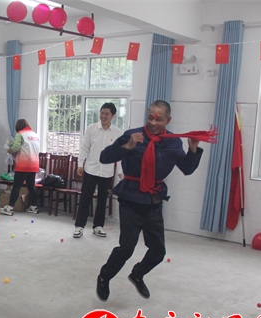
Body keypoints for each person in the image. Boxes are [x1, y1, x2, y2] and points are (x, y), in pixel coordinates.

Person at [96, 100, 206, 302]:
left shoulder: (173, 142)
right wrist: (128, 146)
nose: (153, 123)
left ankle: (137, 274)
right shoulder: (133, 135)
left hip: (153, 201)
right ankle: (104, 276)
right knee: (127, 248)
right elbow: (104, 157)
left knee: (158, 251)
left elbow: (187, 169)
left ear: (168, 120)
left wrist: (192, 150)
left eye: (159, 119)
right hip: (131, 199)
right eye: (150, 118)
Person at [73, 103, 122, 239]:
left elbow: (119, 153)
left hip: (107, 172)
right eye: (102, 113)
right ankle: (79, 226)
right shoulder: (91, 128)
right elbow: (84, 147)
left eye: (107, 114)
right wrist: (80, 164)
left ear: (112, 116)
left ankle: (98, 226)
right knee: (85, 198)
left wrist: (120, 171)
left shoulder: (117, 132)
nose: (103, 116)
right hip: (91, 169)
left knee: (102, 200)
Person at [0, 119, 40, 216]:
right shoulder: (35, 135)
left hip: (23, 164)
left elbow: (16, 147)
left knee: (16, 186)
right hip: (34, 164)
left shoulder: (20, 134)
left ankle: (9, 208)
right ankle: (34, 207)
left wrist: (9, 150)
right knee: (31, 186)